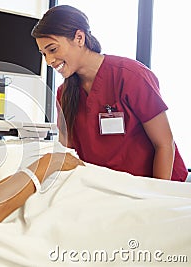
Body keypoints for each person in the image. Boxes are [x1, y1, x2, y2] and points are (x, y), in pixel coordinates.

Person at [31, 5, 187, 182]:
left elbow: (165, 144)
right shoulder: (65, 94)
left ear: (79, 38)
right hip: (105, 189)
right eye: (43, 54)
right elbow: (66, 151)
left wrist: (156, 195)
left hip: (152, 186)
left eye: (52, 50)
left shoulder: (131, 77)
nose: (49, 61)